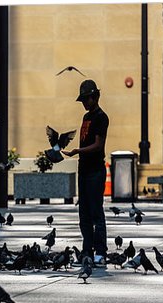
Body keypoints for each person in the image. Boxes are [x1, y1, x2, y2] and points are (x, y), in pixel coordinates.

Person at [62, 80, 109, 265]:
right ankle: (87, 249)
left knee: (96, 212)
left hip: (95, 170)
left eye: (86, 99)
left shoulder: (101, 117)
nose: (84, 103)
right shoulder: (86, 117)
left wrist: (77, 152)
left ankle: (100, 251)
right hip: (84, 169)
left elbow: (98, 145)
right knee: (84, 214)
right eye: (82, 100)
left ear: (94, 97)